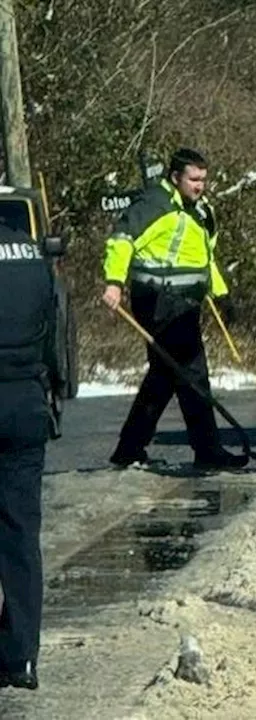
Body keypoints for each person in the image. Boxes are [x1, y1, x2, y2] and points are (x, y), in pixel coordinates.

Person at [101, 147, 247, 470]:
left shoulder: (202, 213)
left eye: (203, 180)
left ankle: (129, 448)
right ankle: (208, 450)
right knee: (192, 372)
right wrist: (114, 281)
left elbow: (204, 263)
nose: (199, 186)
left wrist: (222, 298)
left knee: (165, 375)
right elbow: (122, 239)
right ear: (175, 177)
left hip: (187, 303)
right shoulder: (155, 205)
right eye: (193, 179)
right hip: (158, 301)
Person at [0, 220, 64, 691]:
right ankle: (21, 656)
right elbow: (54, 334)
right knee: (21, 533)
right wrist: (53, 394)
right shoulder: (31, 256)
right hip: (25, 402)